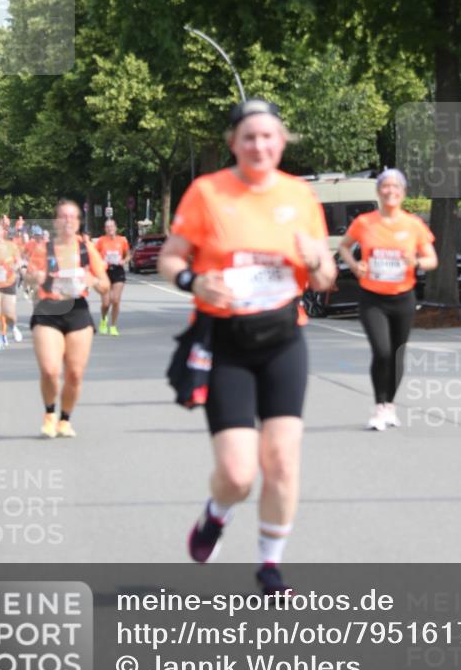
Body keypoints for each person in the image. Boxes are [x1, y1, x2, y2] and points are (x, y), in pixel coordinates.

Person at [158, 98, 336, 594]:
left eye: (269, 136)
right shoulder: (207, 193)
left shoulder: (301, 197)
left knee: (282, 460)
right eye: (249, 137)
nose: (260, 145)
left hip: (283, 339)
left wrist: (318, 260)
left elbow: (324, 278)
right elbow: (170, 259)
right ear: (233, 143)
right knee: (238, 474)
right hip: (226, 342)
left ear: (282, 142)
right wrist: (194, 280)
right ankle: (217, 514)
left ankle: (270, 564)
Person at [338, 168, 438, 431]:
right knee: (381, 351)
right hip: (372, 298)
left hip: (403, 297)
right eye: (385, 186)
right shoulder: (364, 222)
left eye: (396, 187)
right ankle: (380, 405)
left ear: (403, 193)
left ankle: (390, 405)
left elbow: (432, 260)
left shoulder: (413, 224)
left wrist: (415, 260)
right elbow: (343, 246)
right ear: (378, 191)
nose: (390, 191)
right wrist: (354, 264)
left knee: (396, 354)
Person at [26, 199, 109, 439]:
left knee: (74, 373)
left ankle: (65, 419)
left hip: (77, 311)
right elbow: (29, 279)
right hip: (48, 310)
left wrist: (92, 281)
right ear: (55, 222)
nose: (68, 221)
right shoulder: (43, 249)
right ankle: (50, 414)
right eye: (63, 216)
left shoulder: (86, 249)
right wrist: (35, 277)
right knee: (51, 370)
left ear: (78, 222)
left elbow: (105, 286)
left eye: (72, 217)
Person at [94, 219, 130, 335]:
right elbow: (93, 255)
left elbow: (128, 254)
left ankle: (113, 326)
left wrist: (124, 261)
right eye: (107, 227)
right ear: (105, 229)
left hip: (118, 271)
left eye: (112, 226)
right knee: (105, 303)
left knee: (115, 300)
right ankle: (104, 319)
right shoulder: (101, 241)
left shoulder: (122, 240)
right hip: (104, 272)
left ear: (115, 227)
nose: (110, 229)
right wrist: (100, 262)